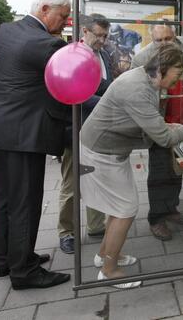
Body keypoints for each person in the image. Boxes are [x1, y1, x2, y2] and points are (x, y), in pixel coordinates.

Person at [80, 44, 183, 288]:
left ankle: (105, 256)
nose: (179, 77)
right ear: (163, 69)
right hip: (101, 153)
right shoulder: (138, 89)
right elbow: (164, 139)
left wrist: (166, 127)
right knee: (125, 209)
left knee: (118, 207)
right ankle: (109, 271)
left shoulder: (146, 80)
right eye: (178, 71)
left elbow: (154, 127)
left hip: (110, 150)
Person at [0, 0, 72, 289]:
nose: (65, 21)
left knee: (2, 197)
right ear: (45, 9)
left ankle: (7, 259)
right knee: (25, 202)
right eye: (63, 15)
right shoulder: (45, 43)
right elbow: (68, 82)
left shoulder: (6, 31)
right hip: (22, 134)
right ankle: (25, 271)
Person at [130, 23, 183, 241]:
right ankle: (156, 218)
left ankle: (171, 208)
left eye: (168, 39)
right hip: (159, 123)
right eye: (159, 41)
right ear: (151, 40)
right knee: (159, 171)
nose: (164, 44)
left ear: (176, 36)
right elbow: (136, 93)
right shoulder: (142, 59)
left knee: (179, 167)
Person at [57, 14, 111, 255]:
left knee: (97, 179)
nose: (102, 40)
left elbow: (108, 85)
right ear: (85, 32)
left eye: (105, 36)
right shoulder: (72, 56)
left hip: (99, 131)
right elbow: (74, 92)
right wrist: (107, 103)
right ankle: (66, 232)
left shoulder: (105, 55)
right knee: (72, 183)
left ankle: (96, 225)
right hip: (75, 128)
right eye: (98, 35)